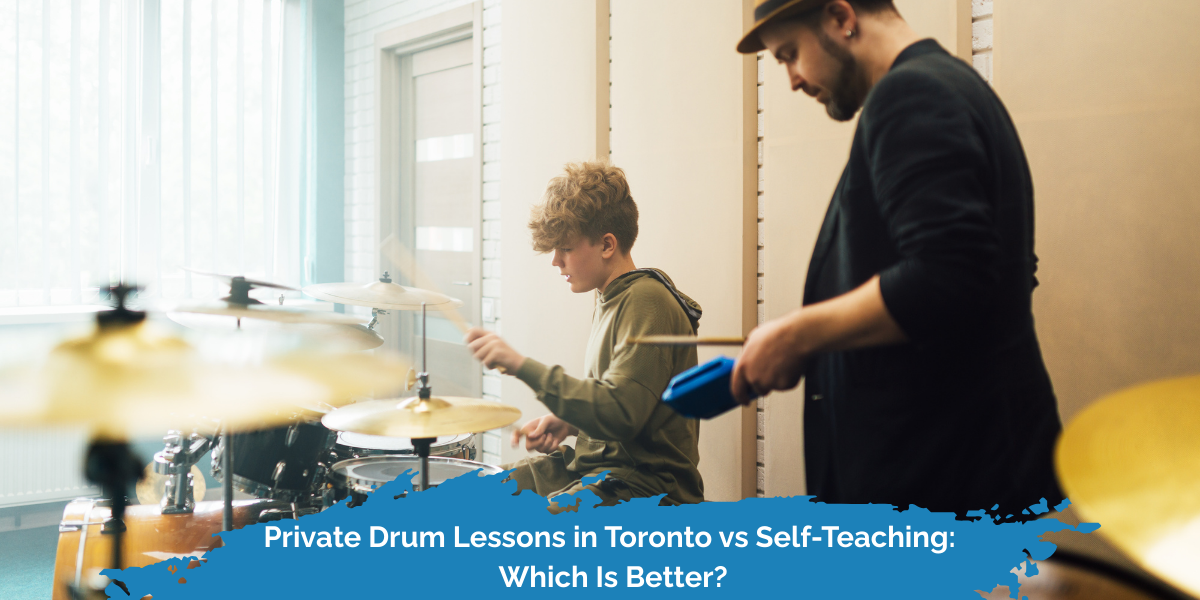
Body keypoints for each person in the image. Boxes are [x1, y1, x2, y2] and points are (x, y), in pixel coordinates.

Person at [732, 0, 1063, 516]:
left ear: (842, 18)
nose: (792, 80)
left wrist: (797, 335)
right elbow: (996, 272)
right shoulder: (953, 85)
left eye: (791, 54)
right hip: (976, 473)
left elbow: (950, 274)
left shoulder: (910, 95)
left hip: (948, 485)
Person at [464, 160, 704, 509]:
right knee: (478, 492)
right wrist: (572, 422)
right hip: (597, 469)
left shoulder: (647, 302)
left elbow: (621, 413)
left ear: (607, 244)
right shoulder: (612, 296)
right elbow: (628, 400)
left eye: (565, 248)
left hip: (647, 488)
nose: (555, 261)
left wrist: (519, 365)